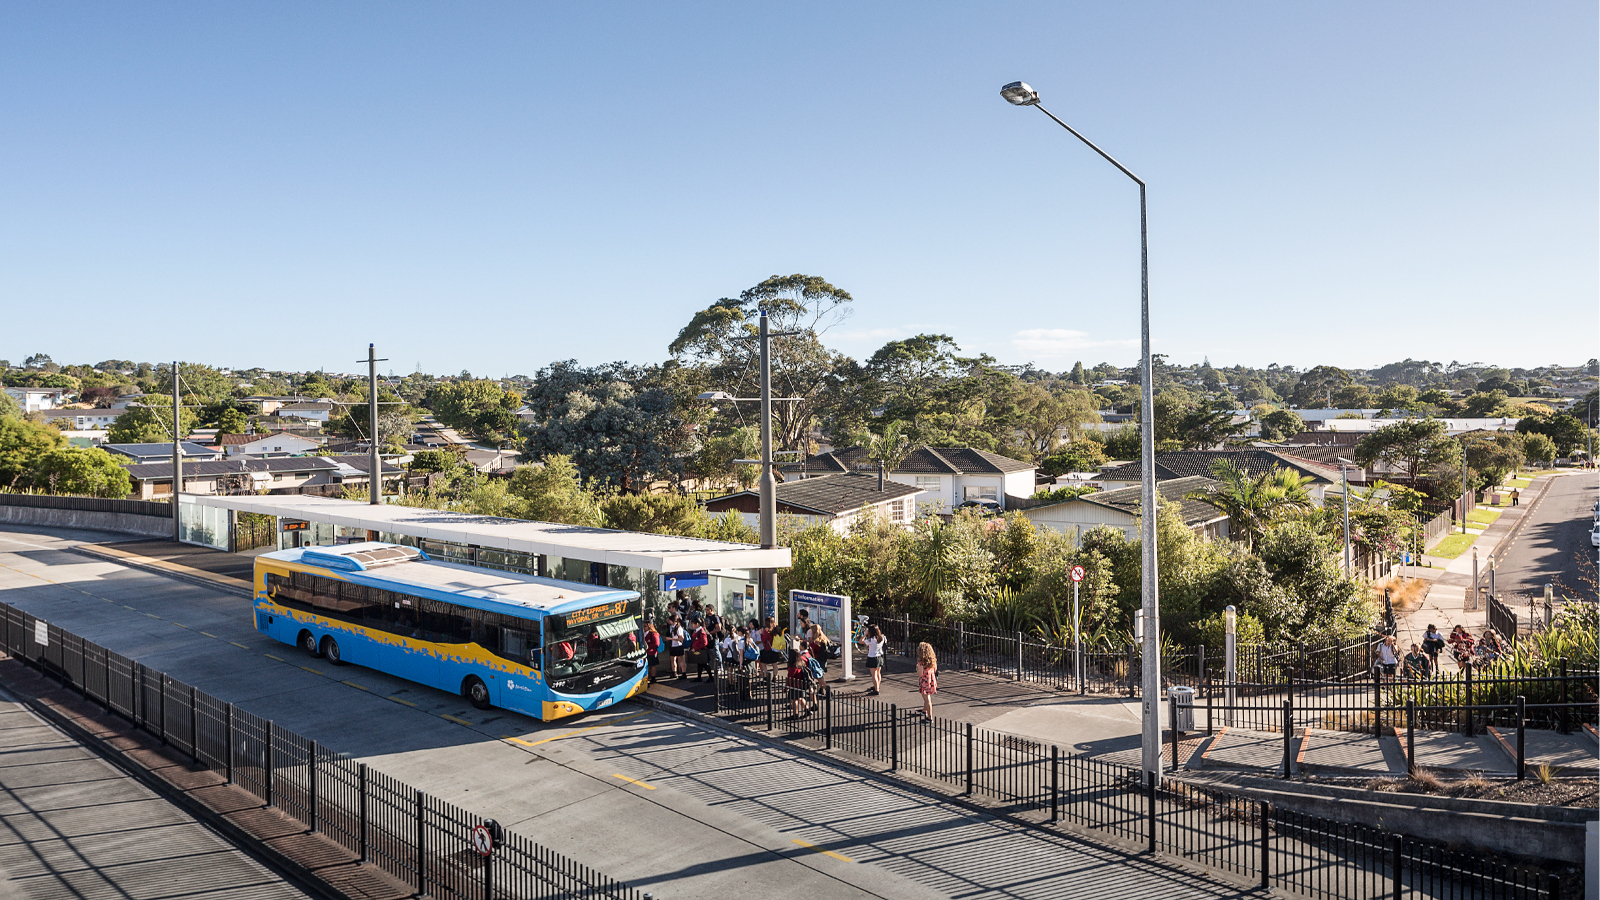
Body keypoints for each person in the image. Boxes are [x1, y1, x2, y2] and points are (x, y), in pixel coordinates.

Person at [788, 644, 817, 718]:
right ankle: (807, 710)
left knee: (794, 700)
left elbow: (790, 677)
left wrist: (786, 687)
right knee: (801, 698)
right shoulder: (801, 663)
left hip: (794, 685)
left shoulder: (792, 667)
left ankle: (795, 714)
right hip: (801, 684)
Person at [915, 641, 938, 719]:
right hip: (931, 681)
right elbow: (935, 670)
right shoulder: (933, 660)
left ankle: (929, 717)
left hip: (924, 682)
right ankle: (924, 710)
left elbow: (920, 674)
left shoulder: (921, 663)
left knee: (927, 699)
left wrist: (918, 667)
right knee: (926, 697)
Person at [862, 623, 885, 695]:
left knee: (874, 675)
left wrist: (865, 634)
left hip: (872, 657)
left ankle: (876, 690)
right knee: (878, 673)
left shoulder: (871, 640)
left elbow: (860, 641)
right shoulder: (882, 637)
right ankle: (877, 685)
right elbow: (885, 641)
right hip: (880, 656)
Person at [667, 615, 687, 680]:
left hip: (678, 645)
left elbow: (681, 638)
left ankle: (684, 673)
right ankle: (674, 672)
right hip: (672, 645)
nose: (668, 621)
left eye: (670, 620)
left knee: (681, 660)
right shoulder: (671, 627)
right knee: (672, 659)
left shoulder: (679, 628)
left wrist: (671, 639)